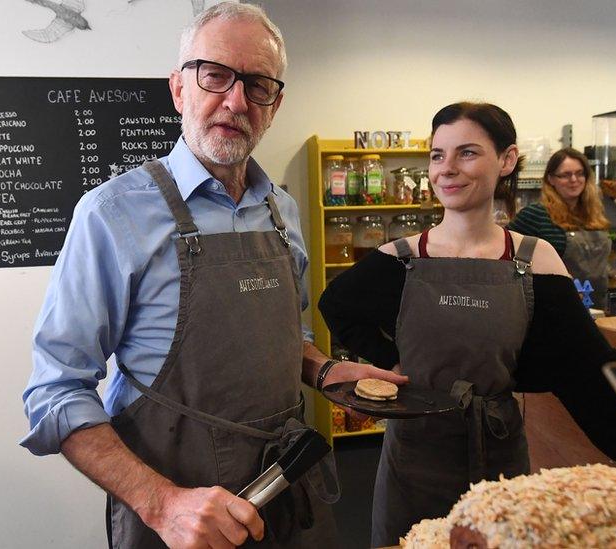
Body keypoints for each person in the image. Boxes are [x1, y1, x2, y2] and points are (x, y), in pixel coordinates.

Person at [20, 3, 404, 548]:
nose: (236, 101)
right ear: (179, 89)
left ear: (275, 104)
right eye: (215, 75)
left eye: (258, 84)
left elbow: (281, 337)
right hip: (178, 515)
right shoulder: (112, 214)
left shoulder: (282, 211)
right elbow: (55, 391)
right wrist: (162, 504)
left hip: (289, 492)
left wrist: (322, 370)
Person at [318, 102, 616, 547]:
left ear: (506, 160)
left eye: (467, 153)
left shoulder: (532, 259)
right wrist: (396, 365)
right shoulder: (401, 259)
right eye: (437, 155)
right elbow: (335, 306)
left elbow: (587, 365)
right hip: (414, 457)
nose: (447, 169)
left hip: (498, 454)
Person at [507, 148, 611, 308]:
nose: (574, 179)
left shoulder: (595, 215)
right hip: (553, 306)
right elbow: (506, 252)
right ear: (551, 179)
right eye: (565, 175)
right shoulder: (536, 215)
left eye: (580, 173)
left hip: (596, 305)